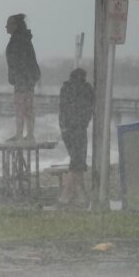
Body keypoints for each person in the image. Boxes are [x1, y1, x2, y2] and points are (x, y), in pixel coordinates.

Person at [58, 67, 93, 205]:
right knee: (77, 161)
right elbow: (90, 106)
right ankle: (66, 196)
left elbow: (63, 109)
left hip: (67, 130)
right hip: (79, 129)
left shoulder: (66, 88)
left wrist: (64, 126)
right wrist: (85, 121)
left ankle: (80, 195)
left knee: (76, 160)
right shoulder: (86, 89)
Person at [5, 13, 40, 142]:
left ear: (16, 25)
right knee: (27, 107)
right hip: (26, 78)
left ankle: (22, 134)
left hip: (23, 79)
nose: (6, 27)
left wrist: (17, 77)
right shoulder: (22, 39)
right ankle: (28, 134)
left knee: (22, 107)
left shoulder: (19, 40)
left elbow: (20, 61)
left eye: (8, 24)